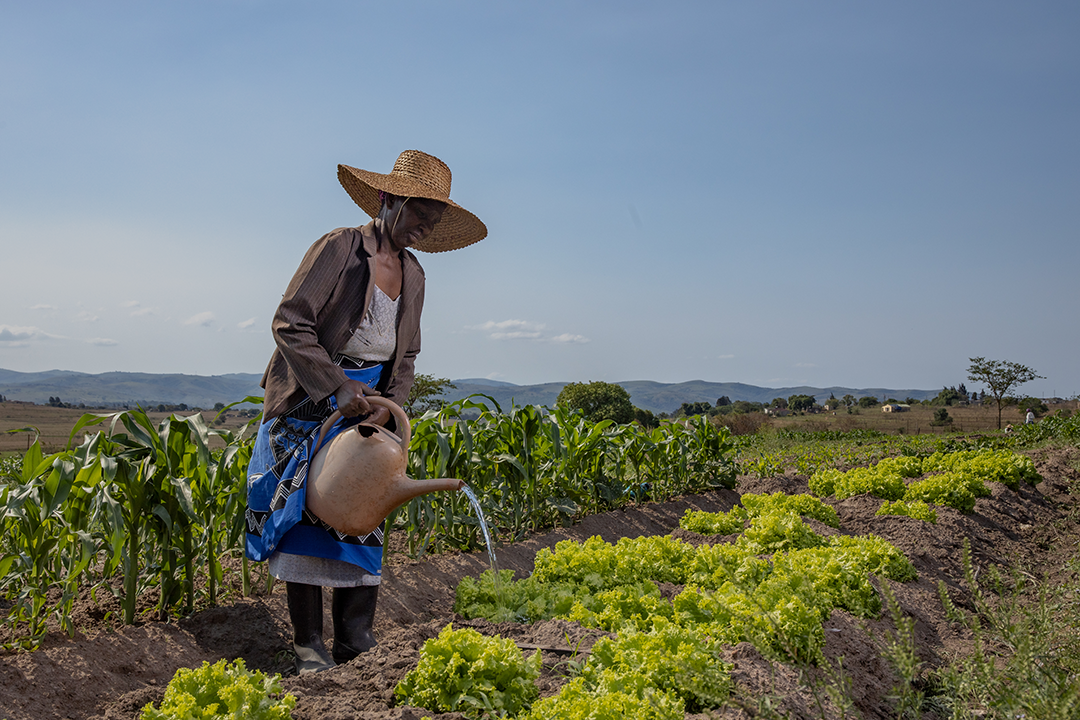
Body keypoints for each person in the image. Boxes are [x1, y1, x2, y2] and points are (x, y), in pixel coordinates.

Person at [244, 150, 487, 674]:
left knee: (363, 510)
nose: (425, 228)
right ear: (387, 199)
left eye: (434, 220)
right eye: (420, 213)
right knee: (308, 517)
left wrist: (390, 407)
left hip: (370, 407)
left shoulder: (414, 274)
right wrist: (336, 386)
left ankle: (356, 638)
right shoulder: (340, 248)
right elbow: (290, 322)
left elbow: (408, 352)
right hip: (310, 399)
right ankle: (309, 646)